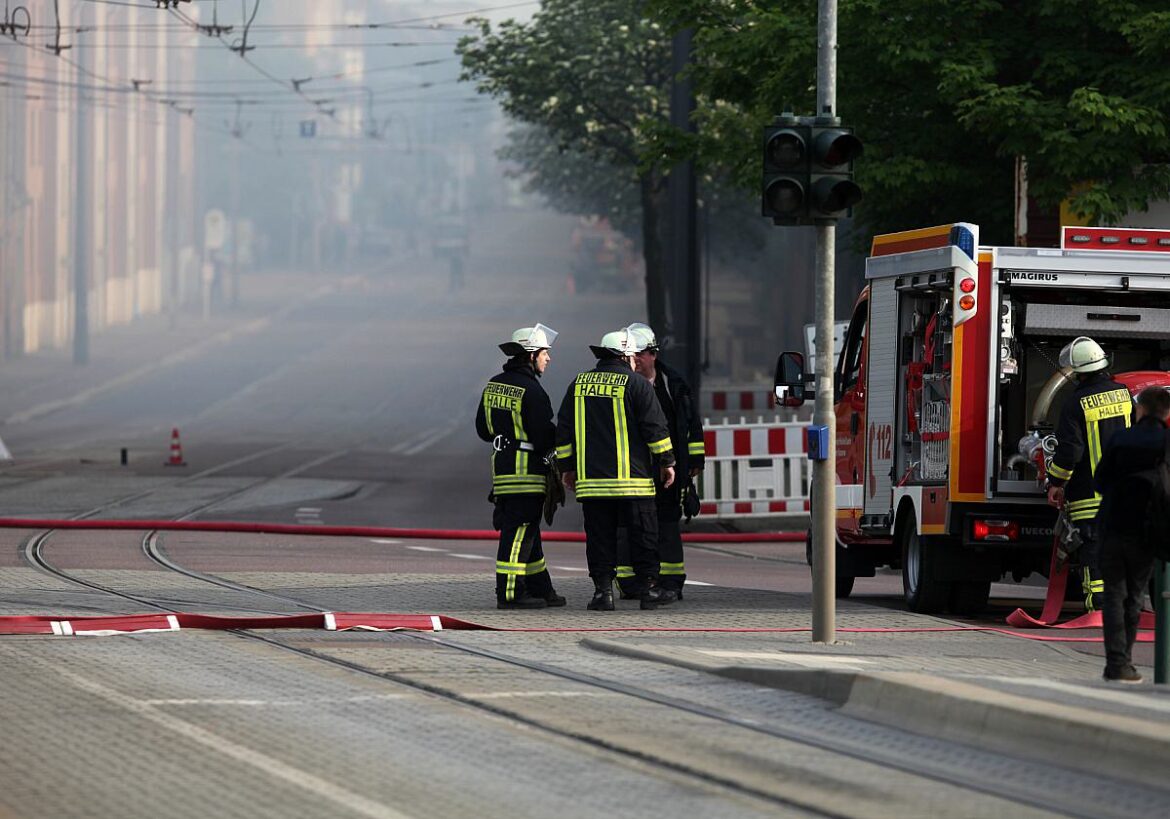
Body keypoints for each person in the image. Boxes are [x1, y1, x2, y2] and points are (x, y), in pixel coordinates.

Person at [555, 327, 678, 611]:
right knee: (643, 535)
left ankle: (602, 593)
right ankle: (648, 591)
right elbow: (655, 430)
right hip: (633, 483)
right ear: (624, 356)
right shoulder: (637, 385)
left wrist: (567, 468)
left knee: (600, 538)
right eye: (633, 355)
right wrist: (667, 462)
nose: (636, 360)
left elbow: (564, 431)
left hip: (593, 484)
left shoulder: (578, 384)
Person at [476, 324, 566, 609]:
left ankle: (541, 587)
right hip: (526, 474)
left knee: (528, 530)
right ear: (530, 355)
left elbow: (483, 429)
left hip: (503, 470)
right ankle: (510, 593)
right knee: (518, 532)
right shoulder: (533, 391)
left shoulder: (494, 384)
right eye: (544, 353)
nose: (548, 359)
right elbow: (542, 438)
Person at [614, 323, 706, 600]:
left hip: (668, 470)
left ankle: (671, 581)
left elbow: (691, 425)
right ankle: (630, 581)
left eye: (639, 354)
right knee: (629, 524)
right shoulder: (624, 384)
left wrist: (694, 459)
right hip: (633, 469)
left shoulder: (673, 384)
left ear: (652, 354)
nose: (635, 360)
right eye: (630, 354)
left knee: (666, 523)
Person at [1046, 336, 1133, 612]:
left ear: (1078, 371)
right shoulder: (1124, 394)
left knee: (1094, 553)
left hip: (1090, 497)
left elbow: (1070, 453)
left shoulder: (1076, 403)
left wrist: (1056, 482)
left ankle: (1098, 609)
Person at [1093, 386, 1169, 683]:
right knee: (1135, 597)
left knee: (1113, 595)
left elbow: (1100, 481)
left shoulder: (1120, 438)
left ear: (1141, 409)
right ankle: (1125, 663)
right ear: (1166, 413)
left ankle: (1116, 663)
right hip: (1146, 531)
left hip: (1112, 526)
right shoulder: (1166, 442)